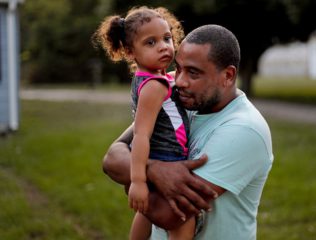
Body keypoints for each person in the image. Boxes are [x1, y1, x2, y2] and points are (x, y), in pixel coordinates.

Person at [103, 24, 274, 239]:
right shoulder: (179, 96)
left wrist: (132, 181)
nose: (180, 81)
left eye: (193, 72)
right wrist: (153, 170)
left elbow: (170, 215)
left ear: (228, 75)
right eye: (179, 68)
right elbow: (112, 157)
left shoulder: (244, 130)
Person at [93, 6, 195, 240]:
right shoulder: (154, 86)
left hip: (162, 155)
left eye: (167, 38)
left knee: (145, 213)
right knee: (183, 219)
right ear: (130, 52)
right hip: (167, 157)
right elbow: (140, 135)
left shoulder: (151, 78)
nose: (163, 46)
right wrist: (138, 180)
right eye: (151, 43)